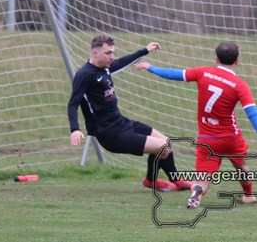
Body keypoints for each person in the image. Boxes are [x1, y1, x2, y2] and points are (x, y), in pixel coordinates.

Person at [135, 41, 257, 208]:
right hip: (230, 138)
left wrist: (151, 67)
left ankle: (197, 192)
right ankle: (248, 195)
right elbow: (253, 114)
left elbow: (174, 74)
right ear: (237, 61)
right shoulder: (240, 85)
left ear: (216, 59)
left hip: (207, 138)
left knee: (203, 178)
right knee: (241, 166)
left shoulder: (203, 72)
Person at [68, 34, 193, 192]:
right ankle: (173, 181)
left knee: (166, 143)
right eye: (108, 53)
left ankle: (153, 180)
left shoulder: (105, 67)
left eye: (113, 52)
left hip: (121, 123)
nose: (112, 56)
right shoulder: (84, 74)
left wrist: (145, 50)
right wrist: (75, 129)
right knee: (162, 147)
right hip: (110, 134)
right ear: (95, 53)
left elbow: (121, 62)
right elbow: (73, 103)